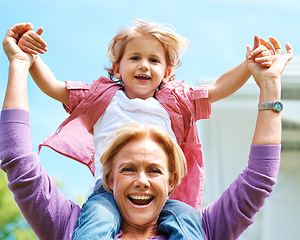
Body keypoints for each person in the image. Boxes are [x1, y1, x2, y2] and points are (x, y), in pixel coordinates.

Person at [0, 23, 292, 240]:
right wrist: (26, 61)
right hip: (102, 196)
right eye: (128, 168)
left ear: (172, 177)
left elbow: (218, 90)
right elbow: (51, 94)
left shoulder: (177, 102)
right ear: (117, 67)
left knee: (185, 215)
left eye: (154, 170)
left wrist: (257, 74)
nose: (144, 66)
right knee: (98, 218)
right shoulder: (101, 97)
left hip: (177, 206)